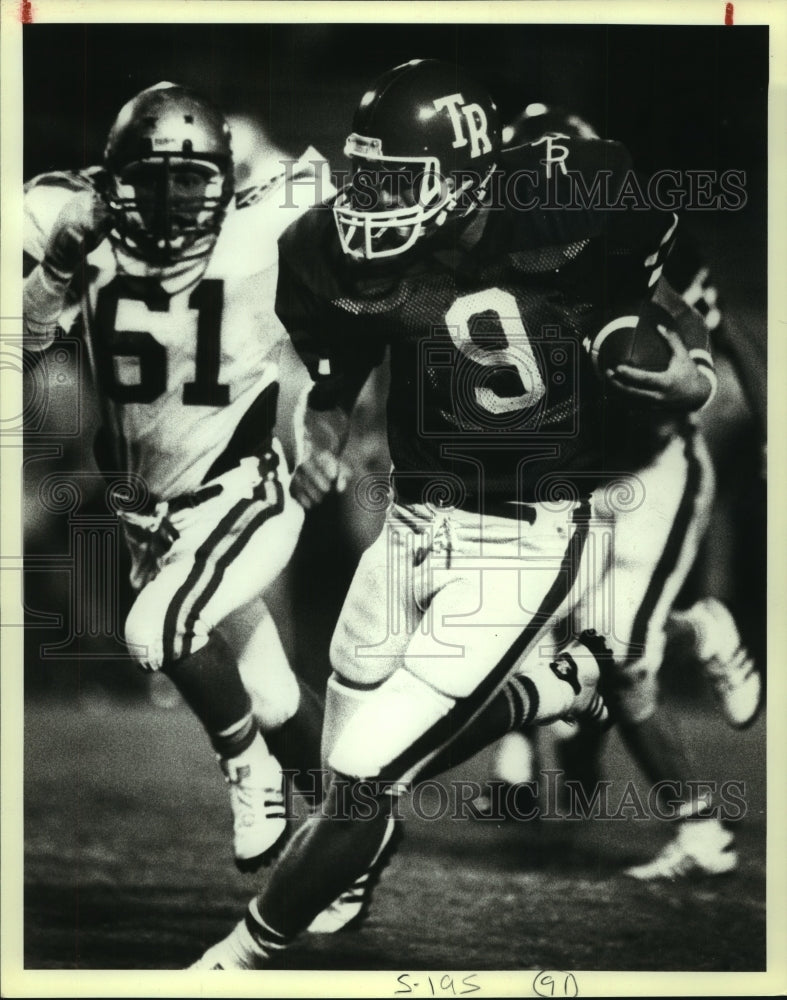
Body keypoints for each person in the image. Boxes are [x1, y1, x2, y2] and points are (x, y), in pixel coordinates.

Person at [190, 57, 719, 969]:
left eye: (399, 179)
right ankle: (546, 694)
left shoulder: (564, 203)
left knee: (363, 780)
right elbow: (334, 379)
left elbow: (677, 295)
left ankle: (237, 958)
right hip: (409, 523)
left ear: (470, 172)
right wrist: (317, 437)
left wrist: (691, 373)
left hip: (520, 533)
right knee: (346, 763)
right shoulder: (332, 249)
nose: (372, 199)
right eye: (369, 174)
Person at [23, 82, 331, 872]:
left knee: (154, 632)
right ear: (113, 177)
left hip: (240, 497)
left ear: (224, 179)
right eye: (151, 178)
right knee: (270, 695)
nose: (170, 198)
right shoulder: (78, 229)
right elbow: (20, 340)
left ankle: (249, 771)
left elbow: (363, 197)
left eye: (191, 178)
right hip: (148, 519)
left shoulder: (264, 227)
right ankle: (351, 838)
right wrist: (58, 260)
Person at [478, 104, 761, 882]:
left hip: (653, 470)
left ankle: (700, 828)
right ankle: (668, 803)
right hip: (574, 479)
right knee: (572, 651)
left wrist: (693, 377)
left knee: (619, 659)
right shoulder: (496, 256)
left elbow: (704, 326)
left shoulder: (628, 238)